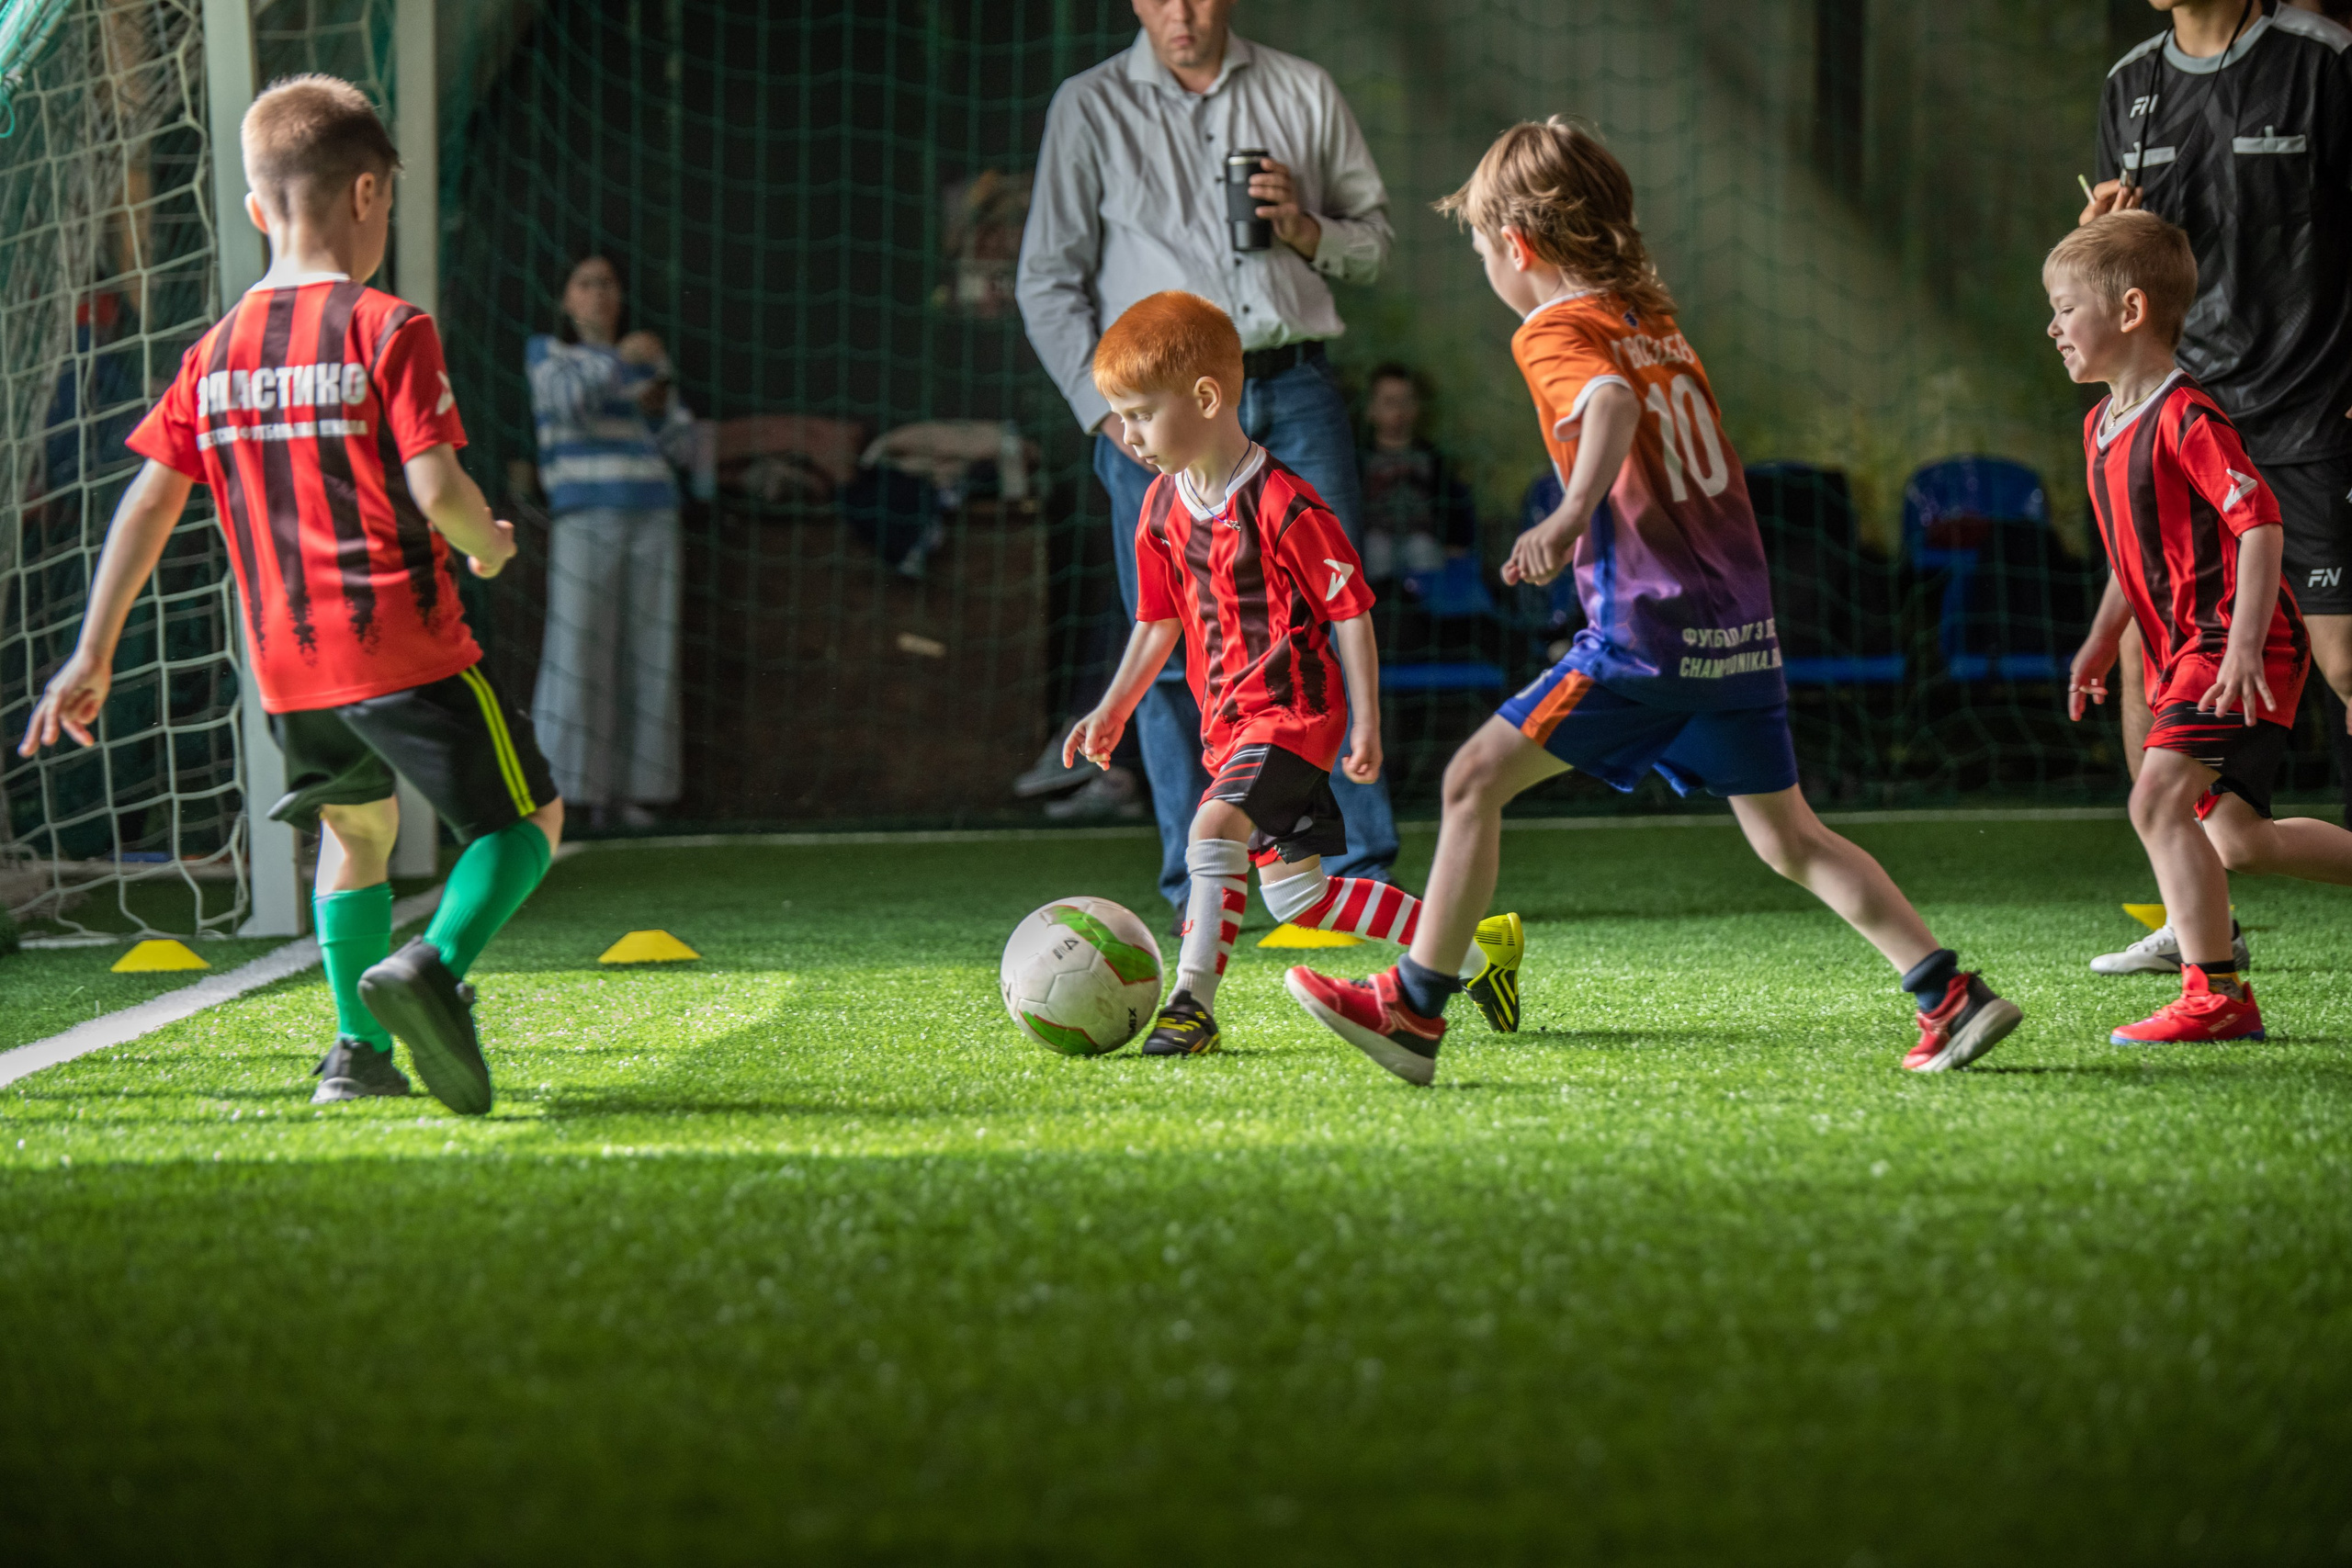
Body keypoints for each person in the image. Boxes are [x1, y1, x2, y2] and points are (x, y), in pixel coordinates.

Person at [1284, 118, 2022, 1085]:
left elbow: (1611, 407)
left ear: (1519, 245)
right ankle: (1948, 994)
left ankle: (1414, 1012)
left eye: (1479, 249)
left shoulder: (1553, 329)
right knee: (1789, 836)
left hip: (1649, 633)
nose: (1486, 268)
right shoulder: (1648, 317)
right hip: (1741, 630)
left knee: (1470, 782)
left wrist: (1566, 515)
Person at [15, 75, 560, 1116]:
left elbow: (144, 507)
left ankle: (357, 1056)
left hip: (286, 662)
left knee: (354, 834)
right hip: (401, 639)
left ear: (259, 209)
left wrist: (92, 652)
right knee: (527, 815)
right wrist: (483, 544)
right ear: (367, 195)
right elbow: (436, 486)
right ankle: (434, 966)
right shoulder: (388, 326)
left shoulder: (210, 353)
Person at [1060, 292, 1521, 1066]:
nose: (1128, 435)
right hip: (1228, 728)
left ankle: (1191, 1005)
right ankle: (1477, 954)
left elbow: (1351, 611)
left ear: (1206, 398)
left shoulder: (1285, 501)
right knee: (1302, 897)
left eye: (1139, 414)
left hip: (1292, 717)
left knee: (1212, 833)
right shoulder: (1159, 511)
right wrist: (1113, 707)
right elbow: (1159, 622)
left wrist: (1365, 722)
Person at [1017, 0, 1400, 923]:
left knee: (1322, 611)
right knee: (1170, 631)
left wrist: (1305, 229)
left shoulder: (1302, 89)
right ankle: (1200, 891)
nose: (1178, 13)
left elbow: (1375, 245)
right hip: (1153, 419)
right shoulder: (1090, 104)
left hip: (1289, 385)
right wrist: (1102, 412)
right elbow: (1045, 278)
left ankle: (1350, 876)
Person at [2080, 0, 2352, 976]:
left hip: (2311, 411)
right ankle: (2200, 923)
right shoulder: (2130, 84)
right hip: (2181, 413)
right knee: (2154, 652)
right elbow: (2129, 257)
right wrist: (2101, 238)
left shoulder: (2322, 62)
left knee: (2344, 658)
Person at [2053, 214, 2352, 1043]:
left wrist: (2248, 641)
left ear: (2130, 309)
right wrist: (2100, 639)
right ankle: (2212, 981)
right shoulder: (2099, 425)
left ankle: (2215, 996)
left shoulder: (2187, 415)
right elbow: (2130, 554)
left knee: (2156, 799)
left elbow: (2260, 523)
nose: (2052, 326)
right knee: (2240, 840)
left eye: (2065, 306)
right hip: (2194, 645)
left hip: (2230, 640)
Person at [526, 255, 684, 830]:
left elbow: (682, 443)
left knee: (650, 654)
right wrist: (622, 362)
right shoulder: (548, 353)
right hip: (584, 518)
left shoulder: (649, 358)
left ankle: (639, 794)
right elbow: (565, 402)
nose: (598, 294)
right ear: (566, 299)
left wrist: (662, 406)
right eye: (585, 284)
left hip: (655, 515)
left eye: (609, 284)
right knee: (577, 656)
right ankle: (567, 796)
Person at [1358, 363, 1478, 585]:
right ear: (1370, 409)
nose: (1398, 411)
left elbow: (1453, 500)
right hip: (1375, 537)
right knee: (1376, 553)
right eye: (1389, 402)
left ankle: (1422, 614)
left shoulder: (1432, 458)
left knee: (1422, 551)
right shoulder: (1360, 459)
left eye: (1406, 402)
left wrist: (1455, 541)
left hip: (1421, 537)